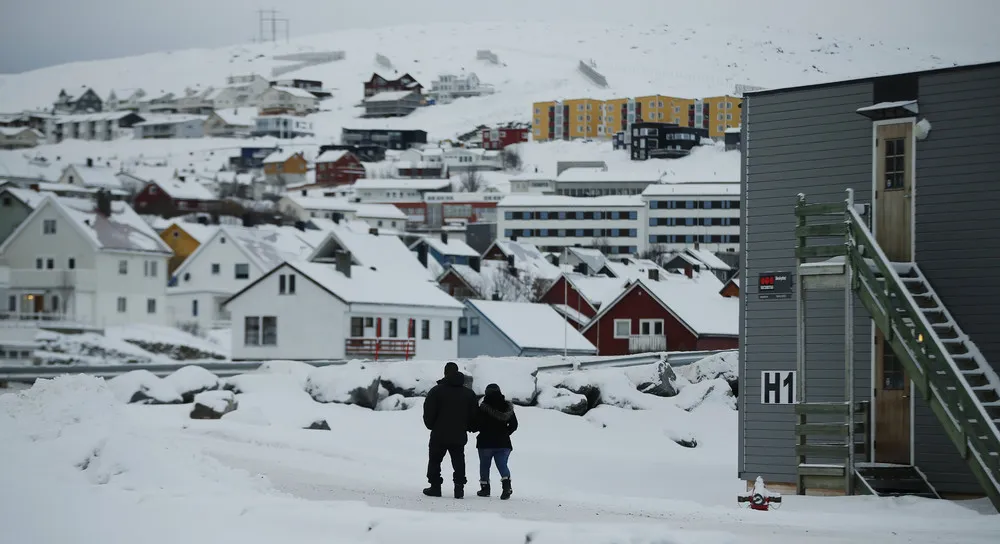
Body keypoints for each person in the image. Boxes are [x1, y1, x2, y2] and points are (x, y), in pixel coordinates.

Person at [422, 361, 478, 499]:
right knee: (458, 460)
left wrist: (431, 425)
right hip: (459, 434)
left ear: (445, 373)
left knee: (435, 460)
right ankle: (459, 488)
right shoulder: (468, 394)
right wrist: (471, 427)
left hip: (439, 434)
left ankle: (435, 487)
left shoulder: (436, 391)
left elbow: (429, 411)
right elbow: (474, 415)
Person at [474, 383, 518, 500]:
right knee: (502, 464)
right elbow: (514, 425)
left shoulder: (483, 408)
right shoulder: (507, 408)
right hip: (503, 443)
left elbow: (476, 424)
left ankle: (485, 488)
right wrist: (504, 433)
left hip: (485, 442)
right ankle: (506, 487)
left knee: (484, 465)